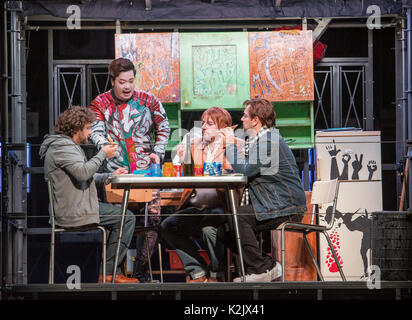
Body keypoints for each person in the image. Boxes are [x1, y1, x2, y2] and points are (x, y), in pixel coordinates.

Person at [88, 57, 170, 282]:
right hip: (116, 174)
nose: (127, 86)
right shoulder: (99, 103)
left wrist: (158, 151)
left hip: (146, 173)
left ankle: (142, 269)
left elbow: (163, 125)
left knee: (152, 219)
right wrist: (104, 147)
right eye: (122, 82)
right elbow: (94, 130)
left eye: (131, 81)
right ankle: (117, 271)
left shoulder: (148, 100)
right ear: (113, 80)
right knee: (120, 220)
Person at [39, 106, 139, 283]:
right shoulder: (62, 147)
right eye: (88, 128)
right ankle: (109, 273)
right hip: (73, 210)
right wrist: (102, 154)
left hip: (78, 206)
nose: (90, 133)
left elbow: (85, 175)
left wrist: (110, 176)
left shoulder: (68, 146)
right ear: (77, 129)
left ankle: (109, 271)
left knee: (123, 216)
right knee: (127, 218)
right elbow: (83, 173)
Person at [221, 98, 307, 282]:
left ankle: (264, 269)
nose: (241, 119)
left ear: (255, 120)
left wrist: (229, 144)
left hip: (285, 206)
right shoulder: (260, 140)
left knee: (237, 218)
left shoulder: (268, 141)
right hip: (275, 203)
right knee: (224, 227)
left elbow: (244, 170)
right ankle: (258, 268)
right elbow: (247, 164)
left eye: (245, 115)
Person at [159, 107, 243, 283]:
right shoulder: (195, 145)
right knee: (168, 226)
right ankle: (197, 271)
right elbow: (180, 165)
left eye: (209, 124)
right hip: (197, 207)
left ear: (223, 128)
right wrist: (180, 157)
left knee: (208, 229)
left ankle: (216, 274)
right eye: (203, 123)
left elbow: (238, 171)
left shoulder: (235, 144)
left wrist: (225, 142)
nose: (203, 127)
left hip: (222, 207)